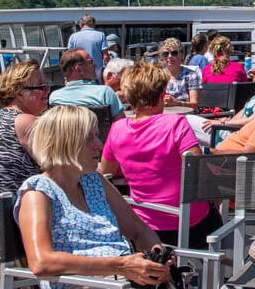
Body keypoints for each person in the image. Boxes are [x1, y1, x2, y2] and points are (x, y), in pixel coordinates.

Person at [15, 105, 174, 286]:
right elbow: (41, 262)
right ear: (64, 143)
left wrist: (157, 257)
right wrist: (120, 265)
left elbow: (140, 231)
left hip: (120, 279)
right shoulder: (38, 191)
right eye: (88, 138)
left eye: (97, 136)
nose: (99, 145)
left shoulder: (93, 181)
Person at [99, 62, 222, 249]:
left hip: (143, 228)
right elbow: (199, 172)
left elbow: (106, 173)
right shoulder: (175, 124)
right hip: (189, 225)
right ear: (161, 93)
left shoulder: (117, 130)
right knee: (214, 211)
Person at [0, 59, 48, 226]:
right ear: (18, 92)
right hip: (6, 220)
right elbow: (58, 167)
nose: (46, 91)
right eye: (40, 87)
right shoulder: (25, 121)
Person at [195, 41, 255, 147]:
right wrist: (229, 120)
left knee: (184, 123)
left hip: (230, 135)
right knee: (183, 123)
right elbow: (246, 108)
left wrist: (223, 124)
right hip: (228, 125)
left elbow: (251, 121)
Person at [49, 48, 124, 122]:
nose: (94, 65)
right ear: (78, 69)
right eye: (91, 62)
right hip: (100, 134)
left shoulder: (55, 98)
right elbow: (121, 123)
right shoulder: (104, 93)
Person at [158, 37, 201, 109]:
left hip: (185, 115)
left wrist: (177, 103)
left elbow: (194, 105)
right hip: (164, 115)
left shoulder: (191, 75)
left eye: (174, 53)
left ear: (181, 55)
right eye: (165, 54)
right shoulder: (158, 76)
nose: (169, 56)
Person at [67, 14, 107, 82]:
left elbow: (69, 57)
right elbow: (106, 57)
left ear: (81, 25)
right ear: (94, 25)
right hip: (96, 72)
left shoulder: (73, 37)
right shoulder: (101, 35)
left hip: (78, 71)